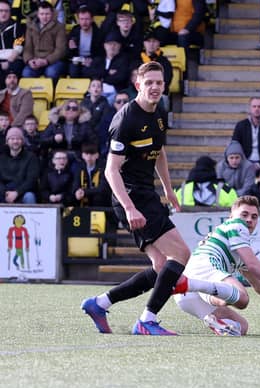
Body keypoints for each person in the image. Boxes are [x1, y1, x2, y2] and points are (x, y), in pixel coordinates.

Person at [81, 62, 191, 336]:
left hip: (147, 193)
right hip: (130, 197)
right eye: (149, 82)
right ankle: (147, 320)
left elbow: (160, 151)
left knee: (162, 265)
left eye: (159, 82)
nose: (155, 87)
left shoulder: (160, 113)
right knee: (181, 254)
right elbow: (110, 171)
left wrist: (168, 189)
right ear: (138, 84)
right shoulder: (126, 119)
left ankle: (100, 303)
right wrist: (129, 208)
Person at [173, 195, 260, 336]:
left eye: (254, 216)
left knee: (241, 327)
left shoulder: (237, 246)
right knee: (242, 298)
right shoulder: (236, 225)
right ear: (231, 215)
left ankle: (215, 321)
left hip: (187, 298)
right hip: (202, 268)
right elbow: (253, 264)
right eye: (244, 214)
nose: (249, 220)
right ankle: (189, 284)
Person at [22, 1, 66, 82]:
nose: (44, 17)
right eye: (42, 14)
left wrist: (46, 61)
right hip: (35, 60)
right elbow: (28, 48)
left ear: (52, 14)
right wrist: (29, 60)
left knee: (51, 72)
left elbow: (60, 50)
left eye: (47, 14)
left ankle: (52, 94)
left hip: (54, 61)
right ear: (38, 14)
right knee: (26, 73)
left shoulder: (60, 27)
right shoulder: (30, 27)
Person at [0, 127, 39, 204]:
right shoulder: (1, 158)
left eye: (18, 139)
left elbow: (31, 180)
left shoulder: (31, 157)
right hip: (4, 193)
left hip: (23, 192)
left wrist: (17, 193)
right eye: (12, 139)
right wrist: (5, 192)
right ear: (7, 142)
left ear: (22, 141)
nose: (15, 141)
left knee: (29, 196)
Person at [90, 30, 130, 105]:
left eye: (115, 44)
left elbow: (121, 77)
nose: (112, 46)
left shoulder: (124, 60)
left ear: (119, 46)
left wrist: (102, 78)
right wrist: (107, 72)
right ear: (104, 46)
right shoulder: (98, 60)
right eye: (109, 44)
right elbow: (91, 73)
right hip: (97, 91)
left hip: (114, 93)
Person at [66, 5, 103, 79]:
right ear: (78, 20)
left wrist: (92, 60)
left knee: (88, 71)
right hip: (77, 59)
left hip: (91, 59)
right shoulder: (75, 30)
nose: (84, 22)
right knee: (73, 71)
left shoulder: (98, 33)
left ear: (92, 19)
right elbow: (68, 53)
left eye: (87, 19)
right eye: (81, 19)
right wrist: (71, 48)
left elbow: (102, 53)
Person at [72, 142, 111, 207]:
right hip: (84, 200)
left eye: (92, 154)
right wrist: (77, 191)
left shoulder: (103, 168)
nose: (89, 156)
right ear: (82, 155)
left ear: (97, 155)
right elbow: (75, 185)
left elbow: (103, 188)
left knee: (98, 197)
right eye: (86, 154)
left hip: (101, 202)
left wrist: (85, 192)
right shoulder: (79, 168)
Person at [0, 0, 25, 85]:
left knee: (12, 72)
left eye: (6, 11)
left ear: (10, 12)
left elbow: (19, 46)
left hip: (13, 60)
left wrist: (8, 62)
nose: (3, 14)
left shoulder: (17, 26)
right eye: (1, 11)